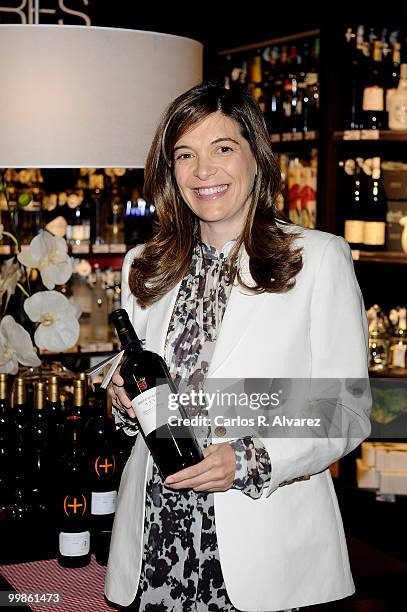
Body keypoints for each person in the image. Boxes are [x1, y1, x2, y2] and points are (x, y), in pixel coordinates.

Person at [105, 82, 371, 612]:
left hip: (263, 550)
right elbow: (149, 379)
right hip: (153, 542)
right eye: (185, 154)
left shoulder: (317, 259)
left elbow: (345, 407)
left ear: (256, 158)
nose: (203, 171)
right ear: (169, 171)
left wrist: (248, 458)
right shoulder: (144, 265)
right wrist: (119, 393)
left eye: (222, 148)